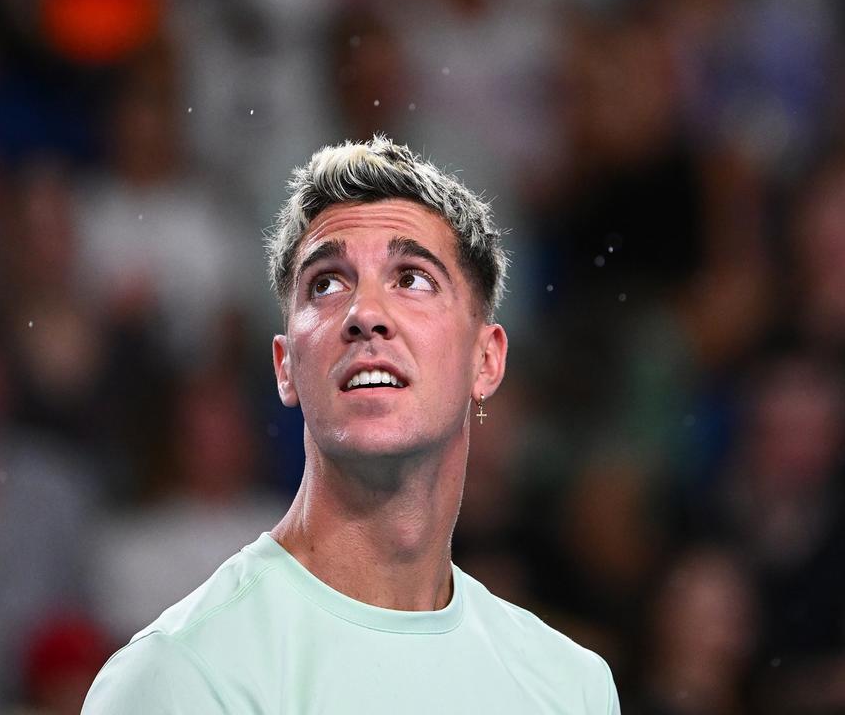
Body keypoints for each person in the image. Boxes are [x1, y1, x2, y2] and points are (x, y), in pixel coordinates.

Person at [82, 135, 620, 713]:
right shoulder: (181, 675)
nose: (365, 314)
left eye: (412, 278)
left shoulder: (572, 688)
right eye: (327, 283)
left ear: (485, 360)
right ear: (285, 368)